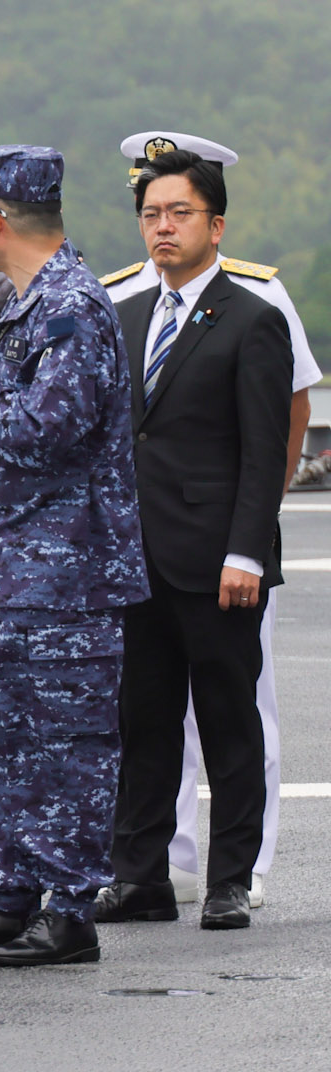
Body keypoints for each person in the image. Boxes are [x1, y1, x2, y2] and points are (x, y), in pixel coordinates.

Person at [0, 145, 149, 967]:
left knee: (68, 743)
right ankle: (11, 893)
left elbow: (52, 429)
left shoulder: (71, 305)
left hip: (69, 574)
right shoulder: (26, 301)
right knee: (4, 736)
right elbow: (28, 433)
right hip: (20, 566)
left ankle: (70, 907)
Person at [100, 131, 318, 909]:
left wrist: (248, 552)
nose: (163, 227)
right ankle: (140, 875)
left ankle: (230, 880)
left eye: (180, 213)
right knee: (143, 724)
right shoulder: (122, 313)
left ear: (215, 225)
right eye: (152, 214)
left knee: (229, 724)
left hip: (217, 559)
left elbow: (266, 452)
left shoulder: (251, 316)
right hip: (135, 558)